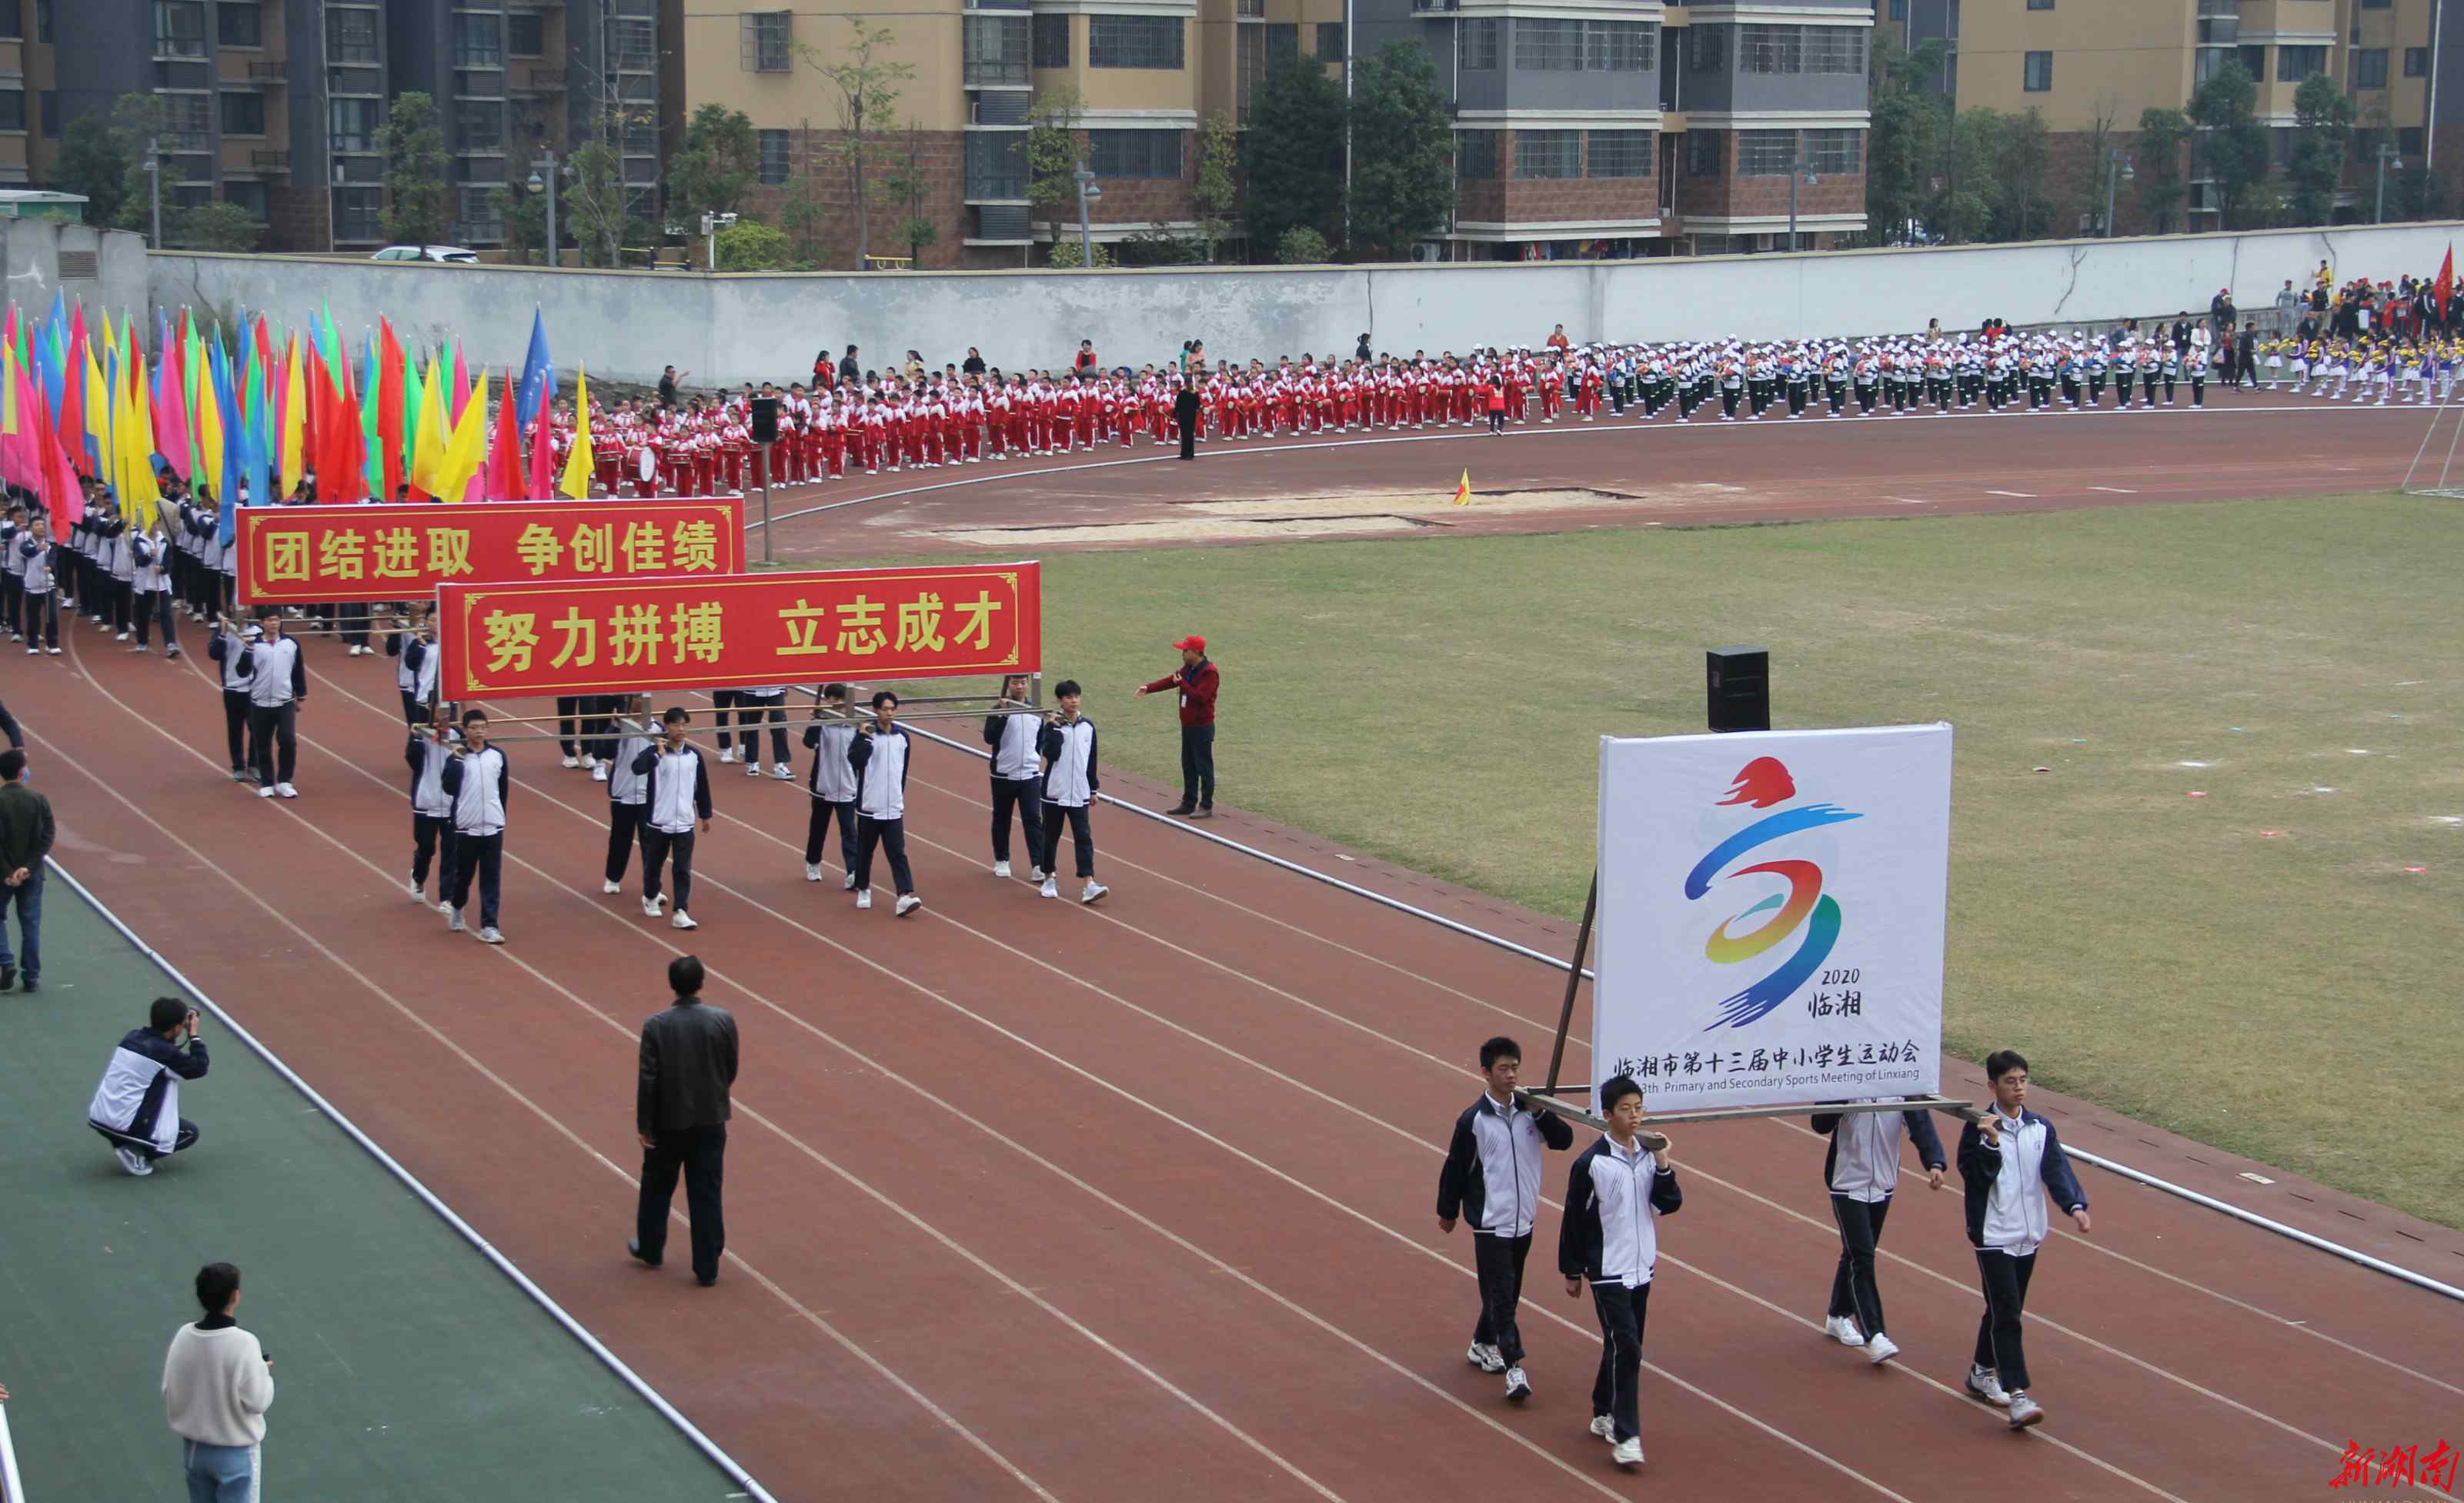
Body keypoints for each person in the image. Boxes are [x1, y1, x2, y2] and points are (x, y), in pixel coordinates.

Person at [1958, 1049, 2090, 1431]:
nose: (2018, 1088)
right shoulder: (1978, 1129)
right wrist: (1991, 1144)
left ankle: (1981, 1371)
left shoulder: (2040, 1129)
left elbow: (2056, 1171)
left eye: (2022, 1080)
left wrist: (2075, 1205)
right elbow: (1974, 1176)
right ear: (1992, 1085)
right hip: (1994, 1235)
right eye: (2010, 1081)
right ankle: (2017, 1393)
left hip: (2029, 1236)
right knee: (2008, 1313)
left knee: (2001, 1309)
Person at [1436, 1036, 1572, 1403]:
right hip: (1490, 1223)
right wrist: (1448, 1212)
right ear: (1485, 1072)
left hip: (1523, 1220)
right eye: (1503, 1069)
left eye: (1515, 1068)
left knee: (1506, 1292)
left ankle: (1482, 1343)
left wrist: (1542, 1112)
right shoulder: (1474, 1121)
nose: (1511, 1075)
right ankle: (1514, 1367)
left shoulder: (1531, 1112)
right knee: (1503, 1298)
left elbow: (1564, 1141)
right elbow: (1456, 1169)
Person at [1559, 1074, 1678, 1470]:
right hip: (1608, 1270)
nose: (1634, 1116)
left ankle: (1602, 1410)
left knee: (1619, 1344)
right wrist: (1572, 1270)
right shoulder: (1592, 1163)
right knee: (1629, 1348)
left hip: (1642, 1269)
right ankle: (1626, 1435)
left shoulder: (1647, 1156)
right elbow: (1574, 1219)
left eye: (1638, 1108)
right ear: (1607, 1115)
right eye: (1626, 1109)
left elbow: (1669, 1203)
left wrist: (1663, 1161)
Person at [1810, 1097, 1946, 1366]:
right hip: (1846, 1182)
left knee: (1857, 1252)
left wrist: (1935, 1162)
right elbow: (1820, 1123)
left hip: (1883, 1182)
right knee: (1862, 1257)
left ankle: (1837, 1316)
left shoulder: (1898, 1085)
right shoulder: (1846, 1081)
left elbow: (1919, 1122)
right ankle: (1875, 1334)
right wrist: (1842, 1095)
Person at [631, 954, 737, 1288]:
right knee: (706, 1190)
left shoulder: (656, 1026)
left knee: (657, 1185)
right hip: (710, 1119)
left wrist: (645, 1126)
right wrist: (716, 1095)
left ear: (672, 985)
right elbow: (729, 1067)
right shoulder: (722, 1020)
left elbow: (648, 1079)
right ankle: (707, 1265)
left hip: (668, 1121)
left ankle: (650, 1247)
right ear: (701, 982)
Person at [162, 1261, 273, 1501]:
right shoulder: (244, 1343)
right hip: (236, 1455)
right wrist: (262, 1371)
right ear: (235, 1296)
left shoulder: (183, 1336)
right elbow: (258, 1401)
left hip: (194, 1452)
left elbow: (169, 1388)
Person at [88, 997, 209, 1175]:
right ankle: (138, 1153)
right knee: (188, 1132)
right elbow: (200, 1067)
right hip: (125, 1125)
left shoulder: (131, 1037)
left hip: (100, 1117)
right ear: (177, 1027)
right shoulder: (164, 1053)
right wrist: (194, 1035)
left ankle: (121, 1143)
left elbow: (162, 1051)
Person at [633, 706, 713, 931]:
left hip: (685, 822)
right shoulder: (654, 753)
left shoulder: (694, 756)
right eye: (677, 725)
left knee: (682, 869)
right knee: (653, 865)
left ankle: (680, 910)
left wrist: (705, 814)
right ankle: (650, 896)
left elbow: (702, 787)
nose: (681, 729)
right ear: (666, 727)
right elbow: (636, 768)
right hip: (659, 821)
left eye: (684, 725)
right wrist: (655, 756)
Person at [847, 691, 922, 915]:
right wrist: (864, 739)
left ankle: (904, 896)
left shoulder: (903, 737)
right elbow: (856, 761)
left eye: (892, 709)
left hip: (893, 808)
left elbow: (903, 769)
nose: (889, 713)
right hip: (870, 806)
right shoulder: (866, 734)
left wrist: (899, 796)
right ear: (876, 710)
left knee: (897, 852)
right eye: (884, 709)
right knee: (865, 851)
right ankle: (863, 888)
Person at [1034, 680, 1107, 903]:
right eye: (1068, 697)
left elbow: (1091, 759)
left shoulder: (1088, 727)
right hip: (1055, 792)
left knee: (1083, 837)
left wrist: (1093, 788)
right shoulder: (1051, 727)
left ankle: (1089, 883)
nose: (1073, 701)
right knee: (1050, 837)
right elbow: (1050, 754)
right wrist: (1054, 729)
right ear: (1060, 700)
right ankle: (1048, 878)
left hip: (1081, 794)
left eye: (1076, 696)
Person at [440, 708, 508, 944]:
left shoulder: (498, 756)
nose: (479, 731)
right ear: (465, 730)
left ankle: (490, 925)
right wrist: (457, 760)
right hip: (466, 827)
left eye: (483, 727)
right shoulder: (457, 758)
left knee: (491, 878)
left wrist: (500, 817)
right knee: (464, 876)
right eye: (474, 728)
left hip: (492, 827)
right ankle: (458, 906)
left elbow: (503, 790)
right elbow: (448, 788)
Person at [1137, 634, 1219, 818]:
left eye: (1185, 650)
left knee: (1204, 766)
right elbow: (1171, 680)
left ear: (1196, 652)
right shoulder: (1189, 668)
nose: (1182, 653)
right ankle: (1189, 802)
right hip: (1188, 724)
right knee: (1188, 764)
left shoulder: (1210, 672)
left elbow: (1201, 697)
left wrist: (1182, 683)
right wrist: (1148, 688)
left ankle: (1206, 805)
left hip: (1202, 726)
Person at [983, 674, 1046, 881]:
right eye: (1015, 683)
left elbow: (1039, 741)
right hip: (1003, 774)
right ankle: (1002, 860)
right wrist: (1003, 715)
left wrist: (1033, 760)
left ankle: (1038, 864)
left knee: (1033, 819)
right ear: (1008, 685)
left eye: (1023, 683)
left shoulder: (1035, 711)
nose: (1019, 687)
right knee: (1002, 818)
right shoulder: (997, 710)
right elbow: (989, 738)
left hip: (1029, 774)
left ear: (1028, 684)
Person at [238, 612, 305, 800]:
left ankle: (285, 781)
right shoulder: (254, 645)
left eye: (276, 620)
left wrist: (300, 696)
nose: (274, 623)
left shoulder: (291, 644)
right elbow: (242, 672)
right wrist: (248, 651)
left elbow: (298, 670)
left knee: (288, 740)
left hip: (284, 702)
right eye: (269, 620)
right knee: (262, 744)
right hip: (259, 703)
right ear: (262, 623)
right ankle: (267, 783)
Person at [801, 683, 861, 887]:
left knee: (849, 831)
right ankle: (813, 862)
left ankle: (853, 871)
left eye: (838, 700)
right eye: (830, 699)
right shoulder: (822, 724)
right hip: (822, 785)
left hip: (847, 786)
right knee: (818, 828)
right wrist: (815, 722)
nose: (834, 703)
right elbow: (808, 742)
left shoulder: (854, 726)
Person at [0, 747, 49, 993]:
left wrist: (9, 871)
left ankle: (5, 961)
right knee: (30, 923)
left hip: (3, 875)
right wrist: (27, 868)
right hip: (32, 874)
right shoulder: (39, 800)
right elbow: (47, 837)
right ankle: (31, 976)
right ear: (22, 772)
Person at [603, 694, 655, 896]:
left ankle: (652, 886)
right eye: (636, 700)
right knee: (620, 839)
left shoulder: (657, 728)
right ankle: (613, 877)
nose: (640, 704)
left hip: (647, 795)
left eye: (644, 701)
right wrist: (615, 727)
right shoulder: (620, 727)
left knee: (650, 843)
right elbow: (606, 752)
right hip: (622, 793)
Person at [404, 717, 459, 907]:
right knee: (426, 848)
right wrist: (416, 740)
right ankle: (418, 877)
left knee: (451, 852)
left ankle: (447, 897)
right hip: (425, 802)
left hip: (451, 803)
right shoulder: (421, 734)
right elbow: (413, 760)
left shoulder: (457, 735)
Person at [208, 620, 261, 782]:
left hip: (253, 688)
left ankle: (255, 765)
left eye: (245, 607)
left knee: (256, 727)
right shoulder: (224, 629)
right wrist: (223, 634)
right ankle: (238, 766)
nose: (242, 611)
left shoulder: (257, 631)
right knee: (235, 728)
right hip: (231, 687)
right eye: (238, 607)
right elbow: (214, 654)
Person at [1175, 378, 1201, 461]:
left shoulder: (1182, 393)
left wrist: (1175, 415)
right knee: (1189, 435)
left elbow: (1178, 405)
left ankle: (1185, 454)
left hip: (1183, 416)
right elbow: (1197, 405)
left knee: (1185, 435)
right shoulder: (1195, 393)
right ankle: (1189, 454)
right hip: (1191, 416)